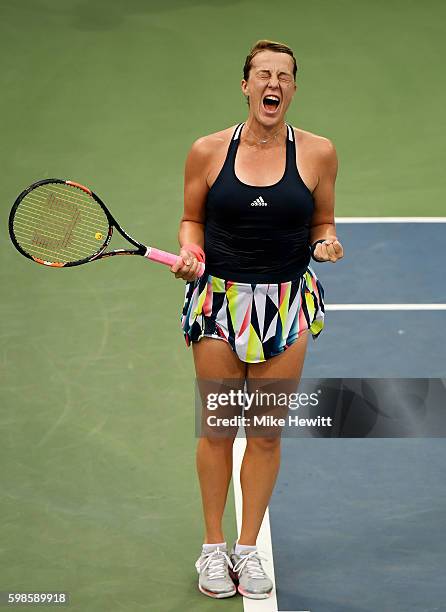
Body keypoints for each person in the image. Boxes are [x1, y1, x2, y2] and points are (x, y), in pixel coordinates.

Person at [171, 39, 344, 600]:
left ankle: (248, 547)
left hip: (287, 303)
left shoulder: (318, 153)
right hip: (219, 303)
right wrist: (190, 251)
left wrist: (327, 243)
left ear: (293, 87)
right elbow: (191, 219)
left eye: (285, 76)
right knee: (218, 427)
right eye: (263, 74)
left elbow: (322, 222)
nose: (274, 84)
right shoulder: (208, 151)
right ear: (245, 85)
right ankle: (213, 549)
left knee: (265, 432)